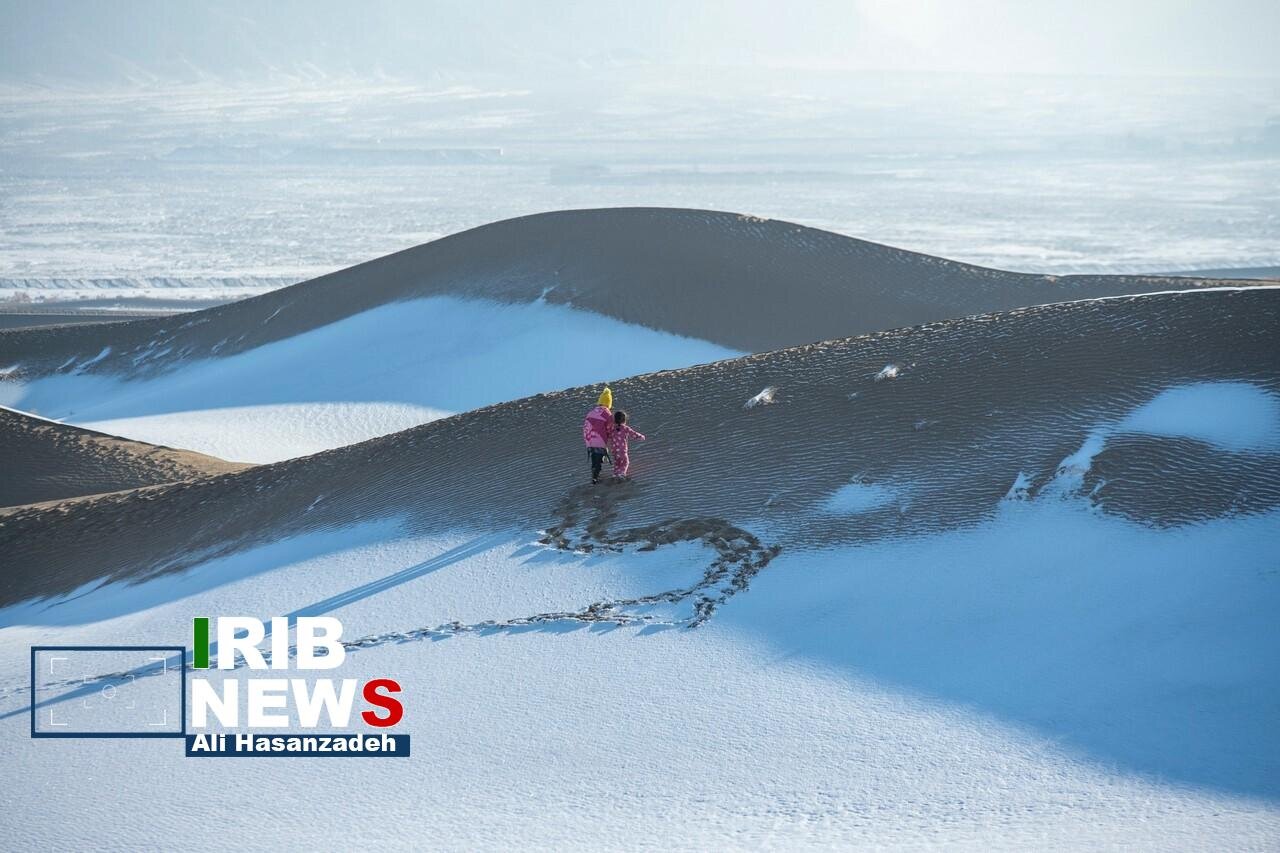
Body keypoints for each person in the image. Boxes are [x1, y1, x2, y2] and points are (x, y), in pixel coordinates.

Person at [582, 386, 613, 484]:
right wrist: (611, 436)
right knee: (599, 458)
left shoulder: (591, 412)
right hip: (599, 440)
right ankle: (595, 477)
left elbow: (585, 426)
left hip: (589, 440)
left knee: (594, 458)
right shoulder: (607, 413)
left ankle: (594, 474)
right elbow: (610, 428)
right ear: (609, 403)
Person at [608, 409, 646, 480]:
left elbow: (609, 436)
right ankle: (622, 474)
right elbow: (633, 434)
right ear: (624, 420)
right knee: (625, 462)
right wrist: (641, 437)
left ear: (614, 420)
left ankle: (615, 474)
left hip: (614, 451)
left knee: (617, 463)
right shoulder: (625, 428)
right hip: (622, 450)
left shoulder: (612, 428)